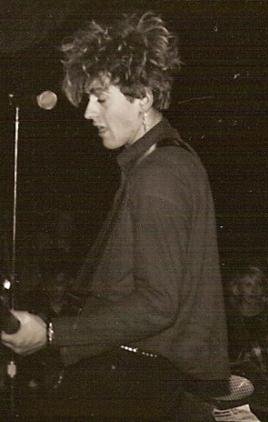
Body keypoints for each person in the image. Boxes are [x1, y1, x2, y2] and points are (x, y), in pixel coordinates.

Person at [1, 11, 230, 419]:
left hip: (147, 387)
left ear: (143, 98)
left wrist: (51, 333)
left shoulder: (160, 175)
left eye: (101, 98)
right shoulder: (157, 164)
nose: (89, 112)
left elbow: (158, 304)